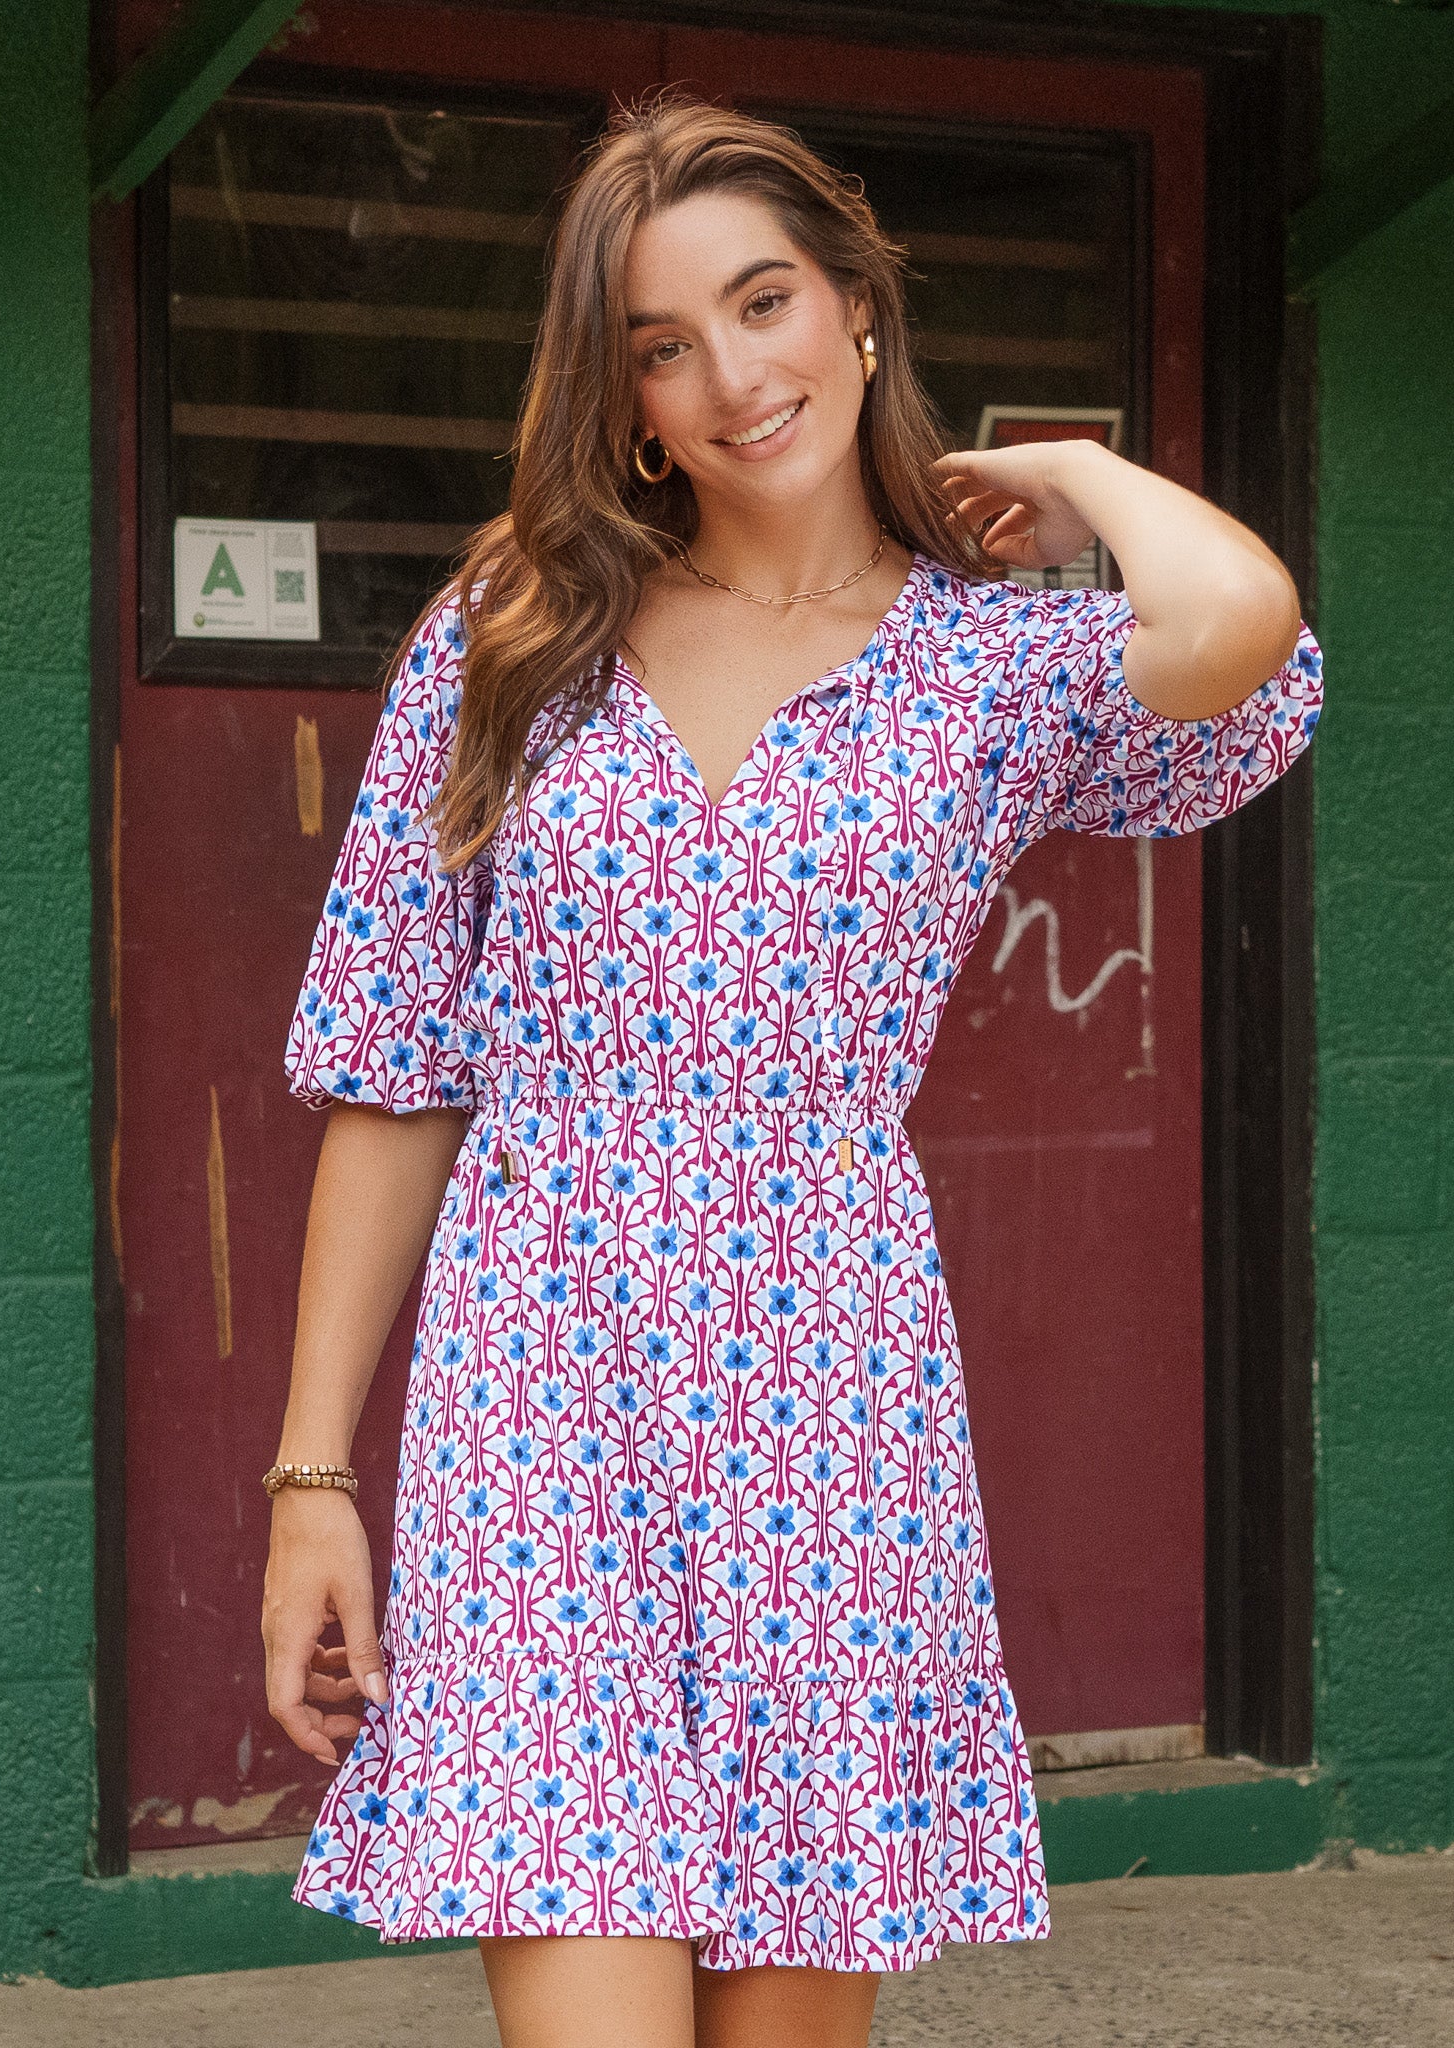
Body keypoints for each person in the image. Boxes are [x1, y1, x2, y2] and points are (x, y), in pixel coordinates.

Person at [263, 93, 1322, 2048]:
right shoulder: (513, 635)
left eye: (766, 304)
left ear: (857, 307)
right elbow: (395, 1062)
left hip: (828, 1422)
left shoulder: (987, 667)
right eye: (663, 345)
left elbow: (1247, 634)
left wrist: (1076, 471)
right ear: (626, 400)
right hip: (538, 1412)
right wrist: (312, 1476)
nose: (735, 377)